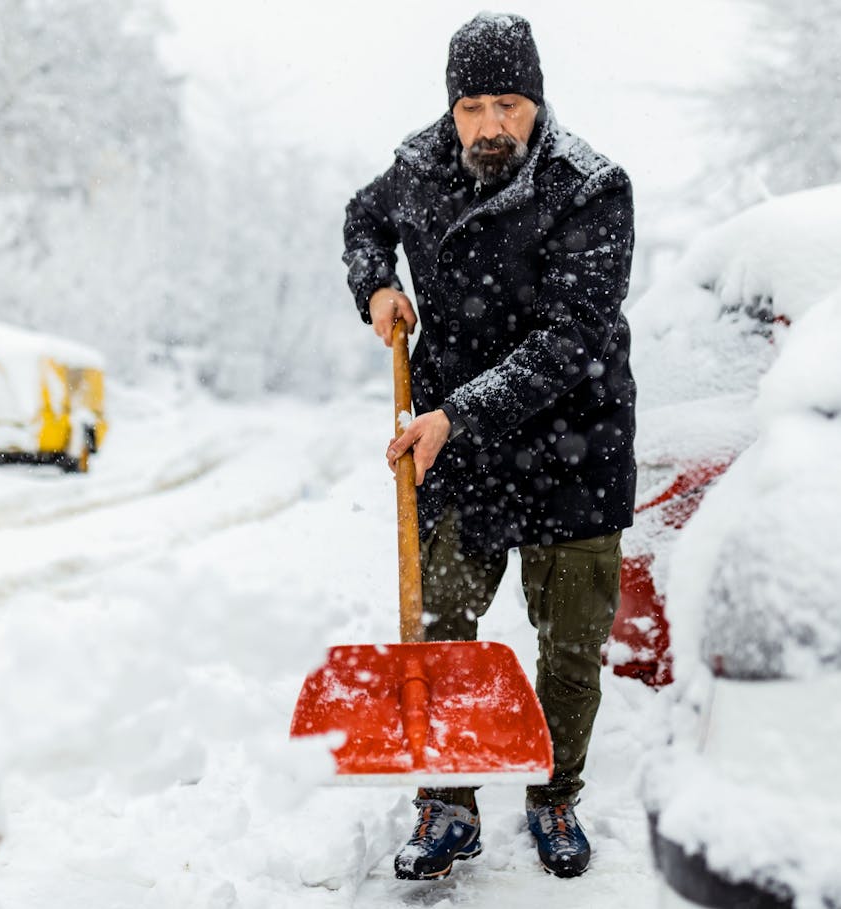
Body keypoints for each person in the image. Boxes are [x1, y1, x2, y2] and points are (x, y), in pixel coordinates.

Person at [341, 11, 637, 881]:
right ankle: (449, 804)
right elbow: (363, 219)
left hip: (572, 442)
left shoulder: (592, 185)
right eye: (474, 107)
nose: (491, 126)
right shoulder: (419, 165)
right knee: (441, 630)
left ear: (537, 104)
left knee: (572, 641)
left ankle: (554, 797)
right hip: (461, 454)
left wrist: (454, 415)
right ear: (453, 108)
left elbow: (572, 336)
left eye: (509, 104)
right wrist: (377, 287)